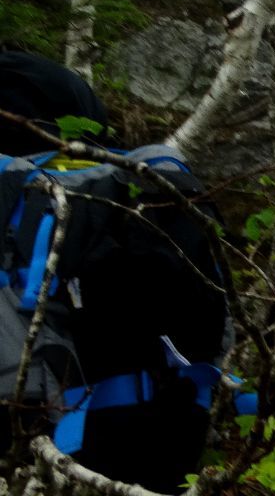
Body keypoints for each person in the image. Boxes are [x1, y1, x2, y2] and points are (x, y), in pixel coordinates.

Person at [0, 50, 230, 493]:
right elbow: (207, 333)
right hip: (154, 444)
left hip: (32, 437)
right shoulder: (131, 192)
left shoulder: (19, 192)